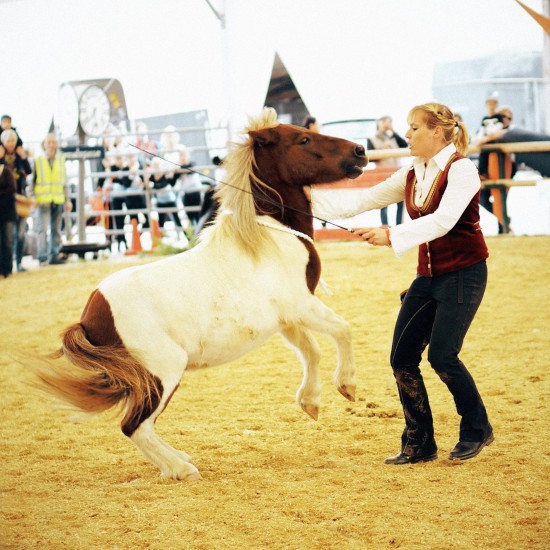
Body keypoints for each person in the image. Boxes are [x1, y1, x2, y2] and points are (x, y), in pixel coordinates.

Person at [306, 102, 493, 464]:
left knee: (443, 356)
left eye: (414, 128)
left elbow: (443, 222)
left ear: (436, 132)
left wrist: (390, 235)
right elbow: (362, 199)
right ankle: (419, 442)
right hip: (428, 275)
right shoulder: (413, 171)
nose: (406, 134)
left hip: (464, 273)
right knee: (402, 358)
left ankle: (477, 428)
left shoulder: (463, 170)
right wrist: (305, 198)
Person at [32, 133, 70, 265]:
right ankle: (42, 257)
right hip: (42, 200)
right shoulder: (38, 160)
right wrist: (33, 198)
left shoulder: (61, 159)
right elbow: (32, 181)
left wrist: (67, 199)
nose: (52, 145)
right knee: (42, 230)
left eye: (54, 142)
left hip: (58, 199)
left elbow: (65, 181)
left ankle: (54, 255)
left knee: (56, 229)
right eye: (49, 142)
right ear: (45, 144)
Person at [0, 129, 32, 272]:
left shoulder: (19, 156)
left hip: (20, 199)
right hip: (7, 201)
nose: (11, 144)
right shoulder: (2, 157)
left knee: (20, 234)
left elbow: (29, 170)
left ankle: (19, 262)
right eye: (8, 141)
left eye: (13, 141)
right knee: (9, 235)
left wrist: (24, 157)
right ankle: (9, 264)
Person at [367, 116, 408, 226]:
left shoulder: (394, 136)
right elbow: (370, 158)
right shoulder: (371, 139)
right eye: (384, 121)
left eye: (389, 121)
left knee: (400, 202)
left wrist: (393, 131)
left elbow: (405, 145)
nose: (386, 124)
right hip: (382, 175)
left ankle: (399, 226)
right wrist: (382, 150)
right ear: (378, 123)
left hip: (397, 172)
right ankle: (385, 227)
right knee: (383, 203)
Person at [0, 162, 17, 278]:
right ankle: (1, 271)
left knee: (7, 241)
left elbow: (12, 189)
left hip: (8, 212)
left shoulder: (6, 170)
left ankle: (8, 269)